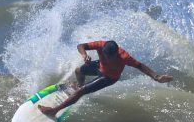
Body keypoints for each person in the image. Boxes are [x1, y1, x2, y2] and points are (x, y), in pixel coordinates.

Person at [38, 40, 173, 117]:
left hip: (109, 77)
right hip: (99, 67)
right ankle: (79, 87)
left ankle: (54, 110)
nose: (109, 58)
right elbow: (81, 46)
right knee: (79, 71)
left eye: (111, 57)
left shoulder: (124, 57)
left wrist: (157, 77)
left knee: (82, 91)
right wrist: (84, 55)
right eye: (106, 55)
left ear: (117, 52)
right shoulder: (101, 45)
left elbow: (140, 66)